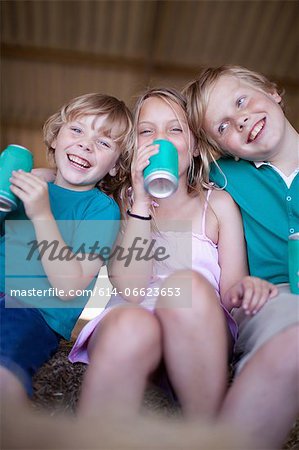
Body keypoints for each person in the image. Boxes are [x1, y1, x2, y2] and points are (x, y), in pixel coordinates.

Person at [69, 87, 276, 421]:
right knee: (130, 324)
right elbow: (132, 289)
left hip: (197, 323)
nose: (159, 139)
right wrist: (138, 202)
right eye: (146, 131)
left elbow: (230, 288)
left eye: (175, 129)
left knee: (188, 286)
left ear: (193, 146)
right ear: (134, 147)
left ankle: (204, 431)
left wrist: (249, 288)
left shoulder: (217, 204)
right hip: (135, 315)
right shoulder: (120, 204)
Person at [183, 65, 299, 449]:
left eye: (241, 100)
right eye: (222, 127)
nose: (241, 120)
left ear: (273, 90)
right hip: (269, 296)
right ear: (219, 148)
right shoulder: (223, 176)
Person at [0, 92, 133, 407]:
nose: (87, 144)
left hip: (30, 312)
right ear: (55, 139)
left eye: (104, 143)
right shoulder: (27, 186)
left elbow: (69, 284)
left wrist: (42, 213)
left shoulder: (101, 210)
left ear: (116, 166)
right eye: (77, 130)